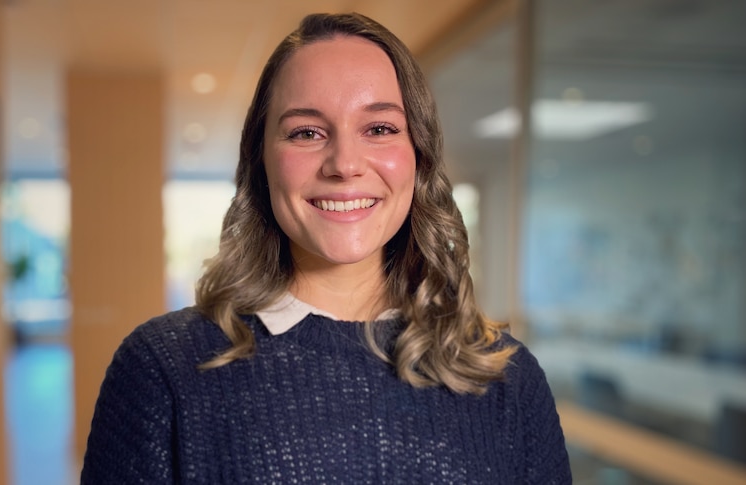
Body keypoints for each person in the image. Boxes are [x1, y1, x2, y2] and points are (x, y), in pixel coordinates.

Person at [81, 12, 571, 484]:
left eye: (379, 129)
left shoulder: (508, 377)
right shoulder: (161, 370)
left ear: (419, 157)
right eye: (307, 132)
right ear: (261, 162)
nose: (344, 164)